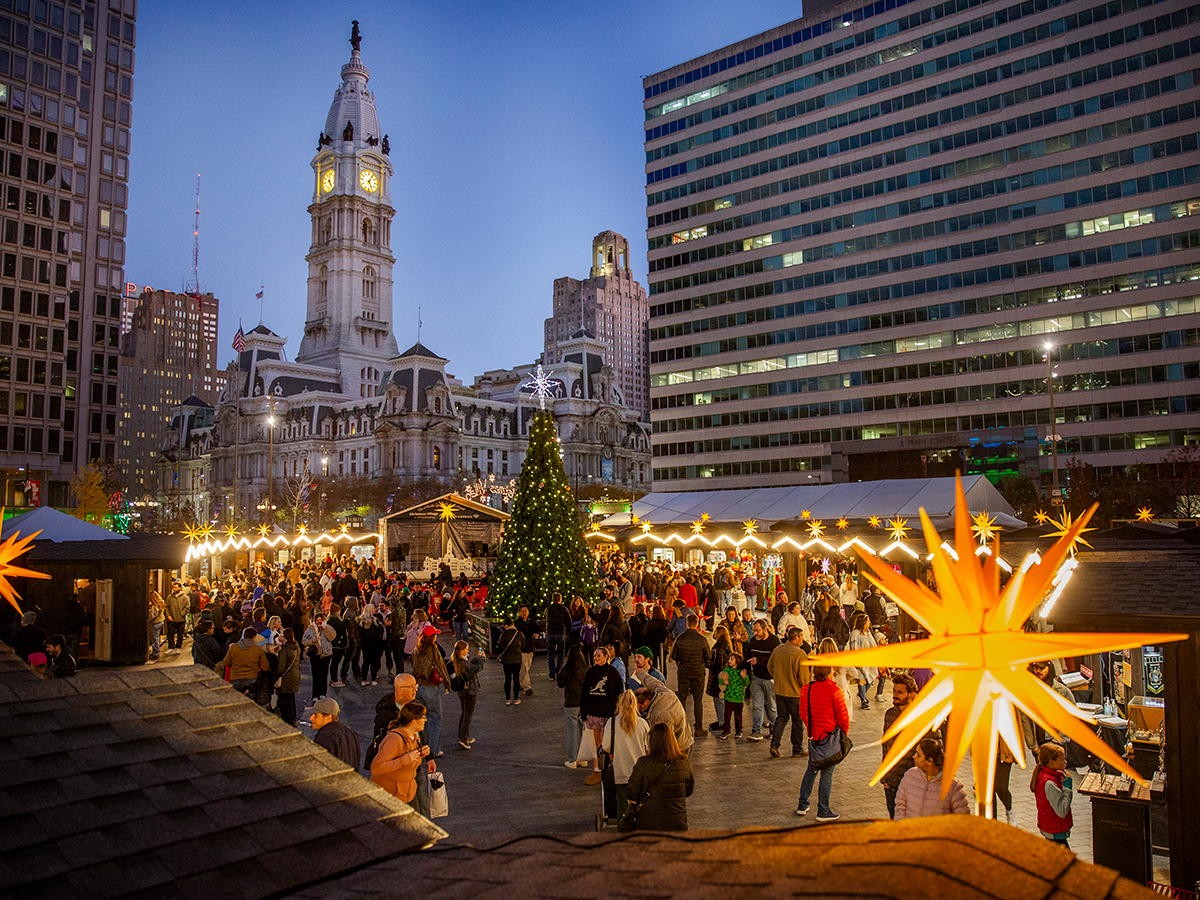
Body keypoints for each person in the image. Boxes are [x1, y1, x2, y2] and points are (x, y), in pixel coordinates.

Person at [372, 675, 436, 816]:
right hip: (398, 776)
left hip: (414, 769)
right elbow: (379, 752)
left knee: (423, 805)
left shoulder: (411, 707)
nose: (415, 690)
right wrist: (405, 758)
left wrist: (428, 756)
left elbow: (417, 735)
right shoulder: (386, 714)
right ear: (399, 689)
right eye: (412, 687)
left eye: (416, 686)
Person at [795, 660, 850, 821]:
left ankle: (802, 804)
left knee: (811, 769)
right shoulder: (835, 691)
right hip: (830, 737)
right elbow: (843, 718)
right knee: (827, 774)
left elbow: (803, 712)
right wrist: (842, 735)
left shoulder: (807, 689)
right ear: (829, 672)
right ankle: (823, 810)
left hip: (813, 737)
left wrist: (810, 727)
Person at [626, 722, 694, 831]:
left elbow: (631, 792)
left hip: (649, 823)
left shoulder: (643, 763)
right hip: (677, 823)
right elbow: (689, 790)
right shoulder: (683, 763)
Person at [601, 690, 651, 818]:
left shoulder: (611, 723)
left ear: (619, 705)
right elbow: (649, 747)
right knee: (640, 808)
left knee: (622, 809)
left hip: (620, 773)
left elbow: (606, 747)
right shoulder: (643, 724)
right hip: (640, 774)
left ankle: (623, 832)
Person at [894, 737, 970, 819]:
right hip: (911, 831)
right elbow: (900, 805)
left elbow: (962, 818)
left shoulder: (953, 787)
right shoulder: (910, 776)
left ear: (930, 761)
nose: (914, 756)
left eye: (918, 755)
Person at [580, 645, 623, 785]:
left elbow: (619, 692)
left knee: (610, 742)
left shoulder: (613, 672)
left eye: (599, 655)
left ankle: (611, 769)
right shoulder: (590, 672)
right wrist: (584, 712)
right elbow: (585, 692)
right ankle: (597, 769)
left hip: (609, 713)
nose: (596, 658)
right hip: (594, 712)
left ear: (606, 656)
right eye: (594, 655)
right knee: (597, 742)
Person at [371, 701, 430, 802]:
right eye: (423, 717)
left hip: (407, 793)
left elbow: (410, 763)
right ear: (413, 722)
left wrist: (421, 754)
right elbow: (376, 767)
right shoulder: (394, 739)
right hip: (391, 797)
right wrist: (405, 759)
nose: (425, 720)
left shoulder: (413, 738)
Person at [880, 673, 920, 819]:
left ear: (911, 695)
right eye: (894, 691)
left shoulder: (920, 717)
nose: (895, 695)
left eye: (900, 692)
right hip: (892, 782)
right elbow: (886, 747)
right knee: (894, 818)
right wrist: (885, 778)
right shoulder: (890, 714)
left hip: (913, 782)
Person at [768, 626, 811, 757]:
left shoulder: (778, 650)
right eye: (801, 636)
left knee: (781, 718)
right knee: (797, 721)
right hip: (795, 693)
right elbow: (803, 677)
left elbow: (770, 666)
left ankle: (774, 745)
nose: (802, 639)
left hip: (780, 691)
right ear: (796, 638)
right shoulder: (800, 654)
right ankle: (797, 749)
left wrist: (778, 678)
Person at [411, 625, 451, 756]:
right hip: (430, 687)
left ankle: (421, 746)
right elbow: (440, 665)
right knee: (435, 718)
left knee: (421, 718)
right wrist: (447, 683)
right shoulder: (433, 649)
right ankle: (433, 749)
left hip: (418, 686)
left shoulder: (416, 649)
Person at [670, 614, 711, 735]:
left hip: (683, 672)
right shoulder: (702, 639)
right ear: (697, 624)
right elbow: (708, 656)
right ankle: (698, 727)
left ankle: (680, 726)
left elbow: (674, 656)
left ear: (687, 624)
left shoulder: (680, 638)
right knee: (698, 700)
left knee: (682, 698)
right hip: (698, 672)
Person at [634, 675, 694, 755]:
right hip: (686, 740)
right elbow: (653, 682)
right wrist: (640, 673)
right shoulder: (663, 692)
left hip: (678, 749)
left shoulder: (659, 715)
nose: (638, 708)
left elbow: (666, 741)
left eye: (638, 706)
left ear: (646, 702)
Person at [1031, 741, 1074, 846]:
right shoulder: (1049, 783)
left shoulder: (1047, 775)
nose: (1066, 762)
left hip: (1052, 828)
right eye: (1063, 760)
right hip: (1055, 830)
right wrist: (1067, 786)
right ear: (1051, 762)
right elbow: (1062, 810)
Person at [744, 619, 779, 741]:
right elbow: (747, 657)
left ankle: (774, 730)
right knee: (757, 705)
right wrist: (745, 670)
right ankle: (756, 731)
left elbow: (775, 660)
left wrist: (759, 660)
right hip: (757, 678)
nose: (755, 633)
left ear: (765, 629)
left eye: (757, 631)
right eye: (754, 631)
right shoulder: (753, 641)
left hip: (770, 679)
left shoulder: (774, 641)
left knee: (771, 706)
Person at [558, 642, 590, 767]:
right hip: (584, 703)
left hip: (571, 702)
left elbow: (560, 683)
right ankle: (583, 758)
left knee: (572, 732)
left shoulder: (567, 668)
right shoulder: (586, 668)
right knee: (583, 731)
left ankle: (572, 760)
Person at [307, 697, 361, 768]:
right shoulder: (352, 734)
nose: (311, 718)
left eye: (316, 715)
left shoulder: (324, 737)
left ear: (328, 717)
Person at [451, 639, 485, 750]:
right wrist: (481, 659)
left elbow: (471, 665)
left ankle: (463, 735)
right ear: (461, 651)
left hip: (463, 691)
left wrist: (477, 659)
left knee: (464, 712)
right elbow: (475, 669)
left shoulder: (458, 661)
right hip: (470, 691)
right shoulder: (464, 663)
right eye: (466, 649)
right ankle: (464, 738)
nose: (467, 651)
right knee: (468, 714)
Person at [216, 627, 270, 695]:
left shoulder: (233, 647)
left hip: (236, 677)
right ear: (254, 637)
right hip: (252, 678)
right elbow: (265, 666)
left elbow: (226, 662)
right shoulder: (258, 649)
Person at [846, 613, 878, 710]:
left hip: (869, 659)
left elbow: (873, 644)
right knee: (862, 679)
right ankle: (864, 700)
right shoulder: (855, 633)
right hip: (860, 659)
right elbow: (854, 646)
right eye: (867, 621)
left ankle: (861, 694)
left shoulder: (868, 632)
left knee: (871, 677)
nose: (869, 623)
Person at [303, 613, 336, 701]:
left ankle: (323, 693)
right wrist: (311, 642)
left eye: (320, 620)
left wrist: (325, 628)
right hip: (315, 655)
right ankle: (315, 694)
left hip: (326, 654)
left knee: (324, 674)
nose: (319, 622)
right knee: (316, 675)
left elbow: (332, 637)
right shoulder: (310, 629)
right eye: (317, 620)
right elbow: (304, 641)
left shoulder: (327, 627)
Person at [705, 624, 732, 731]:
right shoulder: (725, 646)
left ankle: (722, 722)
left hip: (718, 678)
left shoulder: (719, 648)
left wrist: (707, 663)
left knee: (719, 700)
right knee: (719, 700)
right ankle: (721, 719)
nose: (714, 634)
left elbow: (718, 663)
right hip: (721, 677)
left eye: (716, 632)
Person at [718, 652, 750, 739]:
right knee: (727, 715)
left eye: (732, 659)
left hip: (738, 698)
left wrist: (744, 677)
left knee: (738, 716)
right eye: (729, 659)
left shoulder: (741, 672)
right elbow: (720, 677)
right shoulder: (727, 670)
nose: (729, 661)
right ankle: (726, 730)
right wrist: (723, 682)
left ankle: (739, 730)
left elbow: (747, 683)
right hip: (728, 697)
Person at [275, 628, 302, 725]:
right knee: (291, 699)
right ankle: (293, 719)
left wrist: (275, 678)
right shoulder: (296, 646)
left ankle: (288, 721)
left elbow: (281, 667)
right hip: (295, 675)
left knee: (285, 701)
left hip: (286, 678)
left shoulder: (285, 650)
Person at [496, 618, 526, 705]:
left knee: (508, 679)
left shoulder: (504, 634)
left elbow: (501, 647)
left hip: (507, 660)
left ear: (506, 626)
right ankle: (516, 698)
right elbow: (523, 645)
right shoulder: (519, 634)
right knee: (516, 679)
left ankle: (508, 699)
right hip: (517, 659)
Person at [515, 605, 539, 696]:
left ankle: (520, 683)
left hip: (530, 648)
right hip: (522, 649)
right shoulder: (517, 623)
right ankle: (527, 687)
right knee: (524, 668)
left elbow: (537, 629)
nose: (524, 613)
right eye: (522, 611)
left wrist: (536, 634)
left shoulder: (531, 622)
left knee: (526, 667)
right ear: (519, 613)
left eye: (526, 611)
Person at [546, 593, 571, 679]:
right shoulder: (564, 609)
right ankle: (559, 671)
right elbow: (569, 622)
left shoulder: (549, 609)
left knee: (551, 655)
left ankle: (552, 674)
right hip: (560, 633)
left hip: (551, 633)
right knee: (561, 654)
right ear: (560, 599)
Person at [164, 582, 189, 652]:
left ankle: (178, 647)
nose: (174, 589)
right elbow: (167, 607)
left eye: (176, 587)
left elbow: (187, 607)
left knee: (180, 634)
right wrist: (168, 615)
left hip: (181, 619)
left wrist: (182, 614)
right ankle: (171, 647)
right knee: (170, 634)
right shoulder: (170, 597)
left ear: (180, 588)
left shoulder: (184, 597)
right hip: (171, 619)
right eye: (173, 587)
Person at [147, 594, 165, 661]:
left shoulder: (155, 606)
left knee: (155, 639)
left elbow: (152, 616)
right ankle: (156, 652)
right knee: (157, 638)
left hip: (155, 623)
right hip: (161, 622)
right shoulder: (160, 603)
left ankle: (156, 653)